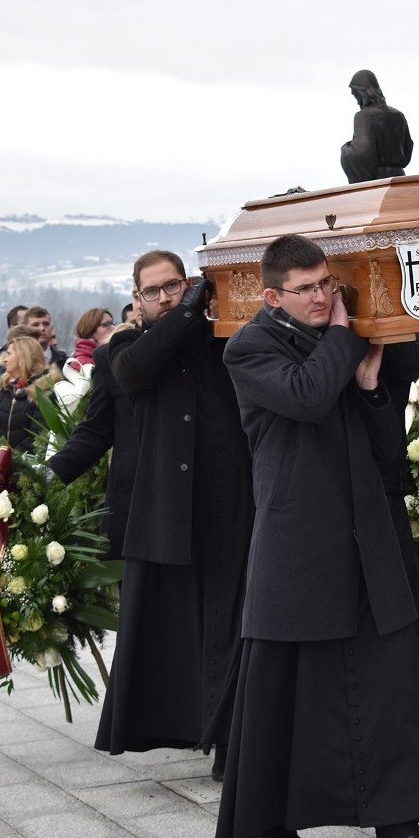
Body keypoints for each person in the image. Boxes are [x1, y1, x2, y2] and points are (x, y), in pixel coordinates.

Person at [215, 233, 419, 838]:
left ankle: (400, 832)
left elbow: (380, 449)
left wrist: (374, 389)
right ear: (273, 297)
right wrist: (349, 343)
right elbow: (305, 395)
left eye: (328, 284)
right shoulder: (250, 346)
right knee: (287, 696)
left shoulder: (338, 348)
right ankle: (271, 828)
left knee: (392, 686)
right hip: (299, 544)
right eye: (308, 289)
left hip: (368, 534)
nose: (324, 297)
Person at [95, 252, 254, 779]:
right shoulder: (125, 346)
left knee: (233, 623)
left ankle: (232, 740)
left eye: (175, 286)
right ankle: (196, 728)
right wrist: (189, 307)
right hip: (168, 511)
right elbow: (139, 371)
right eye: (155, 291)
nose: (166, 297)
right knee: (181, 630)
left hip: (232, 502)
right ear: (137, 299)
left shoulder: (219, 338)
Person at [47, 323, 137, 561]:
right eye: (147, 292)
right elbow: (95, 431)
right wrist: (48, 474)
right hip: (132, 505)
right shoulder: (109, 362)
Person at [0, 334, 62, 452]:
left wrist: (12, 457)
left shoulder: (43, 391)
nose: (4, 359)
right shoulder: (5, 387)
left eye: (9, 354)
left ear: (23, 356)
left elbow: (39, 434)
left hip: (27, 465)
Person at [340, 70, 413, 184]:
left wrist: (345, 150)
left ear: (362, 93)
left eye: (356, 95)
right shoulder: (398, 115)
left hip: (376, 184)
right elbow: (408, 148)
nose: (357, 101)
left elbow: (361, 153)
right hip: (400, 180)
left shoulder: (363, 117)